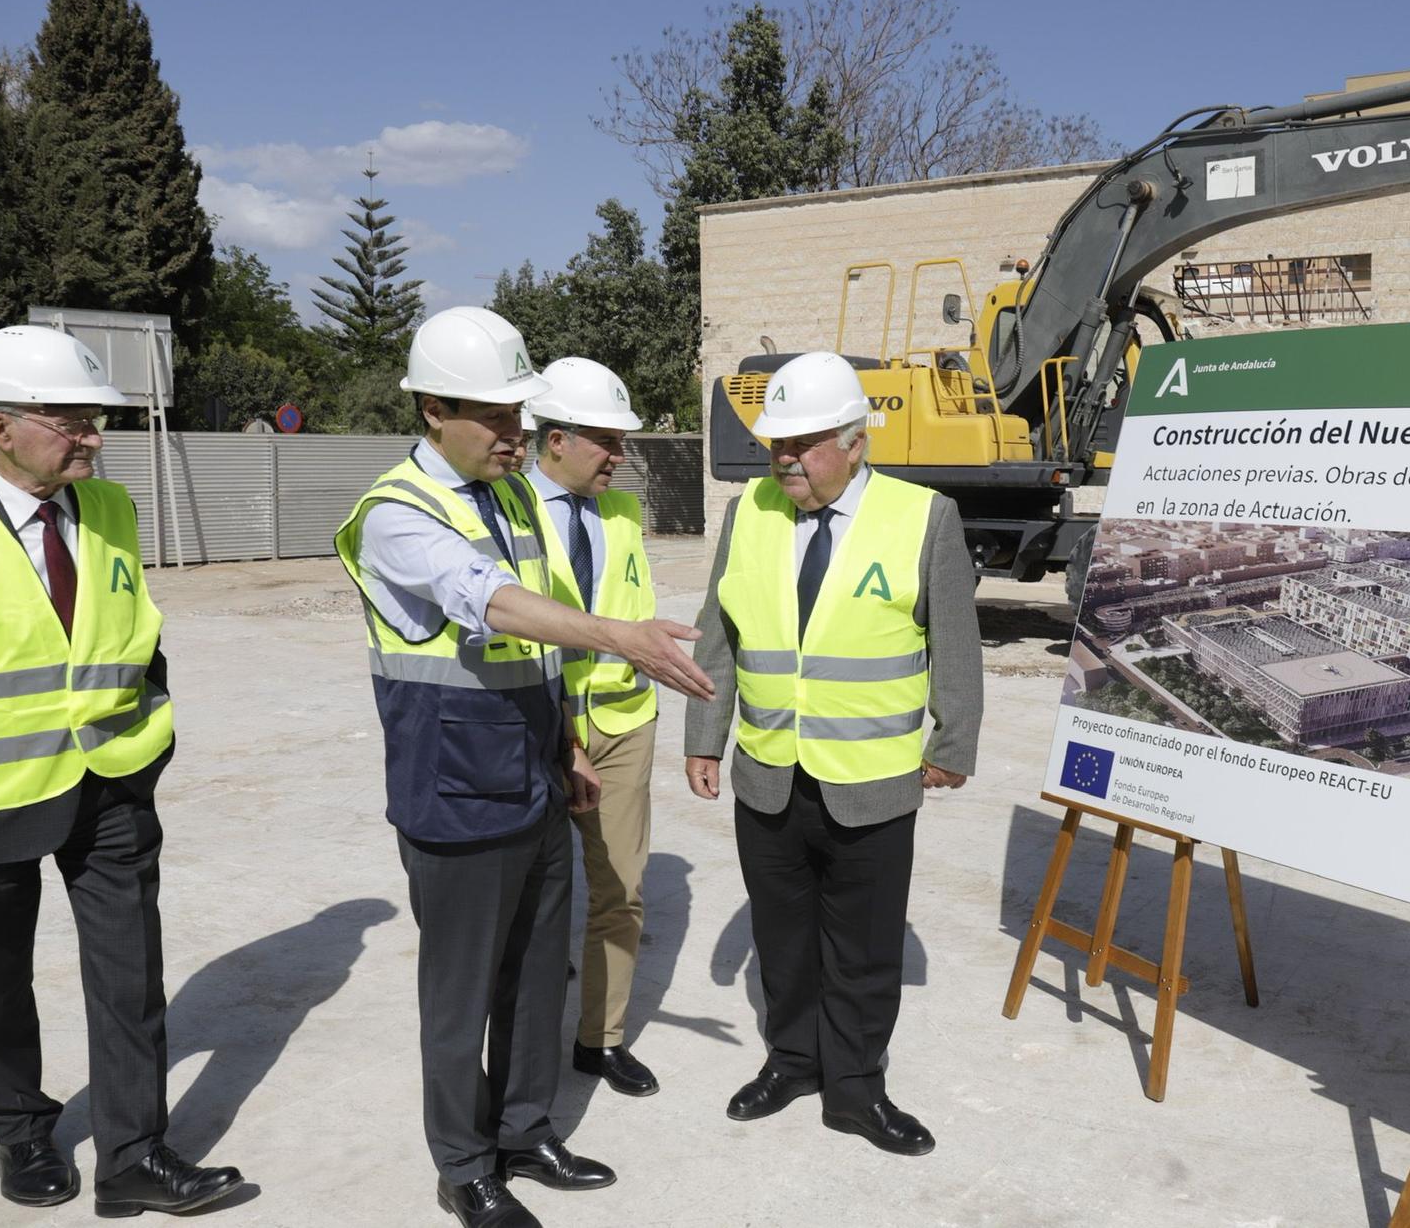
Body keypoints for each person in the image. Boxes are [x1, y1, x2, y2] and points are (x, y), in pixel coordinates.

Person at [334, 308, 712, 1228]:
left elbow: (537, 646)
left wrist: (569, 746)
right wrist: (621, 636)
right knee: (463, 993)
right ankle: (464, 1165)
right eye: (496, 416)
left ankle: (526, 1127)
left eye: (520, 414)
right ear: (432, 407)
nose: (516, 434)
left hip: (536, 772)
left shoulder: (507, 498)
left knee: (539, 973)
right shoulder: (395, 513)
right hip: (454, 787)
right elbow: (490, 603)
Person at [0, 325, 246, 1217]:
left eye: (95, 418)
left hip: (110, 785)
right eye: (69, 418)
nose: (92, 435)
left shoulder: (109, 509)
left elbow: (134, 632)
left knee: (129, 972)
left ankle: (135, 1156)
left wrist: (149, 743)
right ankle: (22, 1130)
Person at [684, 350, 982, 1157]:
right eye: (775, 443)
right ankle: (791, 1060)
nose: (783, 458)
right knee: (781, 936)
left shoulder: (924, 516)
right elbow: (719, 631)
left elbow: (956, 641)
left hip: (874, 779)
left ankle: (854, 1088)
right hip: (769, 772)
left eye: (802, 443)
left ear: (855, 442)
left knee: (863, 944)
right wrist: (705, 735)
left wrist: (954, 738)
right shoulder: (750, 512)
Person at [517, 358, 662, 1098]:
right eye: (605, 440)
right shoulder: (508, 513)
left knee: (620, 892)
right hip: (540, 727)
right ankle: (519, 1057)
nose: (620, 454)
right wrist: (565, 736)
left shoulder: (623, 515)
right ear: (556, 439)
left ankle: (598, 1039)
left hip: (625, 724)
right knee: (529, 901)